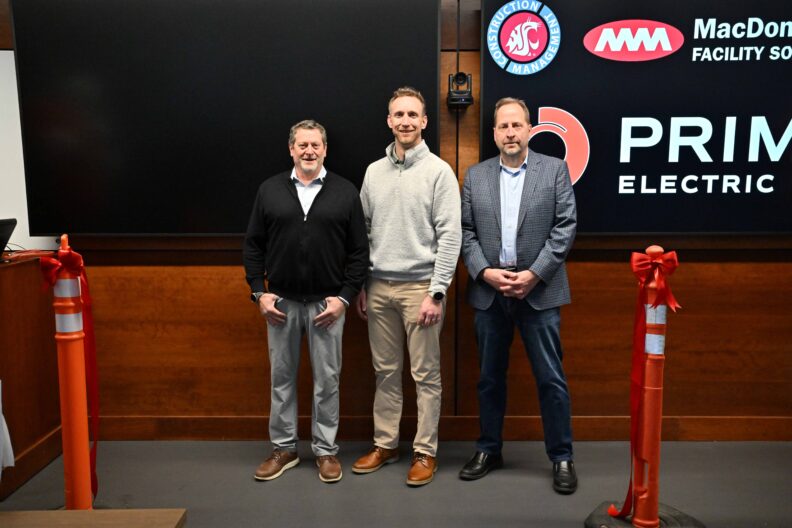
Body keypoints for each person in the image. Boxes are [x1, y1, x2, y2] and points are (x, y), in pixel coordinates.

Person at [459, 97, 578, 494]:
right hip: (490, 295)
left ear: (529, 130)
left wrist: (533, 274)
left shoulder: (555, 170)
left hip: (539, 295)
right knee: (489, 380)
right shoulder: (475, 176)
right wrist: (486, 272)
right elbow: (465, 233)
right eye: (503, 127)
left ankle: (561, 457)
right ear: (494, 133)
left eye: (517, 125)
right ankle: (489, 449)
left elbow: (565, 228)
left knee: (551, 379)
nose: (510, 133)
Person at [243, 119, 368, 483]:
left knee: (327, 380)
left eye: (315, 145)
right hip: (280, 304)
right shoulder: (269, 190)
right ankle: (283, 449)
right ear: (291, 150)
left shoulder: (346, 192)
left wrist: (344, 299)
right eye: (302, 145)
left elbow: (359, 252)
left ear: (325, 150)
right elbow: (253, 246)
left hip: (328, 305)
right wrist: (258, 293)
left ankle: (326, 451)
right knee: (281, 377)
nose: (309, 151)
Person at [352, 87, 461, 486]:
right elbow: (362, 232)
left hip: (421, 289)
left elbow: (451, 236)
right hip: (379, 287)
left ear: (424, 121)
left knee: (425, 374)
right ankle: (386, 444)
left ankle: (425, 451)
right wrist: (363, 283)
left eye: (413, 115)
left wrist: (437, 291)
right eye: (398, 115)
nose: (405, 122)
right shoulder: (372, 173)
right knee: (385, 372)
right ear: (389, 120)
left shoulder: (439, 172)